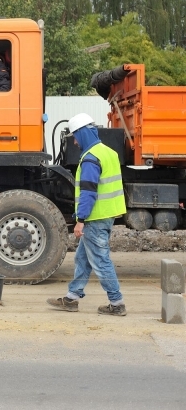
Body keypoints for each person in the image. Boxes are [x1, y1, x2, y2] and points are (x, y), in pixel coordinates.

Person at [47, 113, 128, 316]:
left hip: (95, 218)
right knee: (82, 259)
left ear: (83, 134)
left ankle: (117, 303)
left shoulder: (91, 159)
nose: (74, 142)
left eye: (75, 136)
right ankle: (72, 298)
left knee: (100, 261)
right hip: (106, 215)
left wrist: (80, 220)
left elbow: (88, 193)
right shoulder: (108, 152)